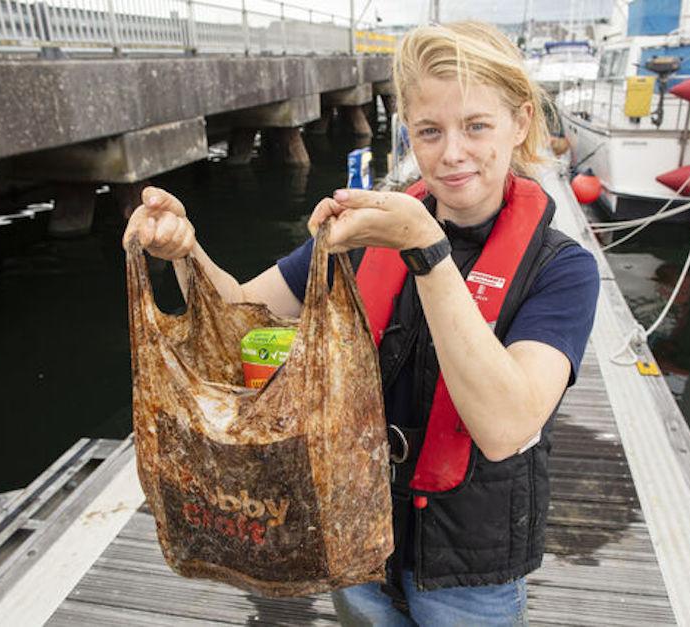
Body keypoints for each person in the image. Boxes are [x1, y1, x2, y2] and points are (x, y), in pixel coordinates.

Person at [123, 21, 599, 627]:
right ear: (409, 134)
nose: (452, 153)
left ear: (521, 121)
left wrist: (427, 249)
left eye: (476, 125)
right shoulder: (365, 234)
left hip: (471, 568)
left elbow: (506, 427)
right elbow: (240, 321)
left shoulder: (563, 270)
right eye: (430, 131)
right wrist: (186, 254)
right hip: (354, 538)